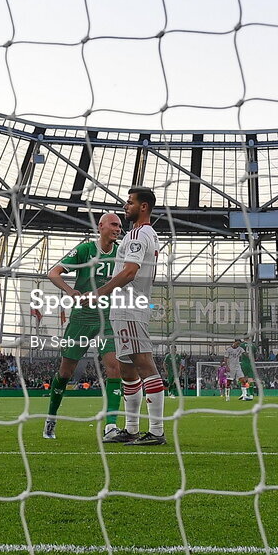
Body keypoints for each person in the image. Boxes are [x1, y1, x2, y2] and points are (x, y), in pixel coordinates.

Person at [93, 187, 166, 446]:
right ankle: (131, 428)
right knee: (127, 369)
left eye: (130, 202)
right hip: (127, 307)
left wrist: (99, 293)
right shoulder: (148, 234)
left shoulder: (136, 234)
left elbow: (130, 272)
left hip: (130, 306)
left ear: (143, 207)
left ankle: (156, 431)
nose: (126, 206)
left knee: (144, 363)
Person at [42, 213, 123, 440]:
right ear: (101, 226)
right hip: (81, 319)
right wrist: (72, 292)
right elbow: (53, 273)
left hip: (107, 318)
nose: (118, 229)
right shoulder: (86, 250)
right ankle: (51, 417)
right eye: (114, 224)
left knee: (114, 368)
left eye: (120, 225)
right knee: (65, 372)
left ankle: (110, 426)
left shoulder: (121, 253)